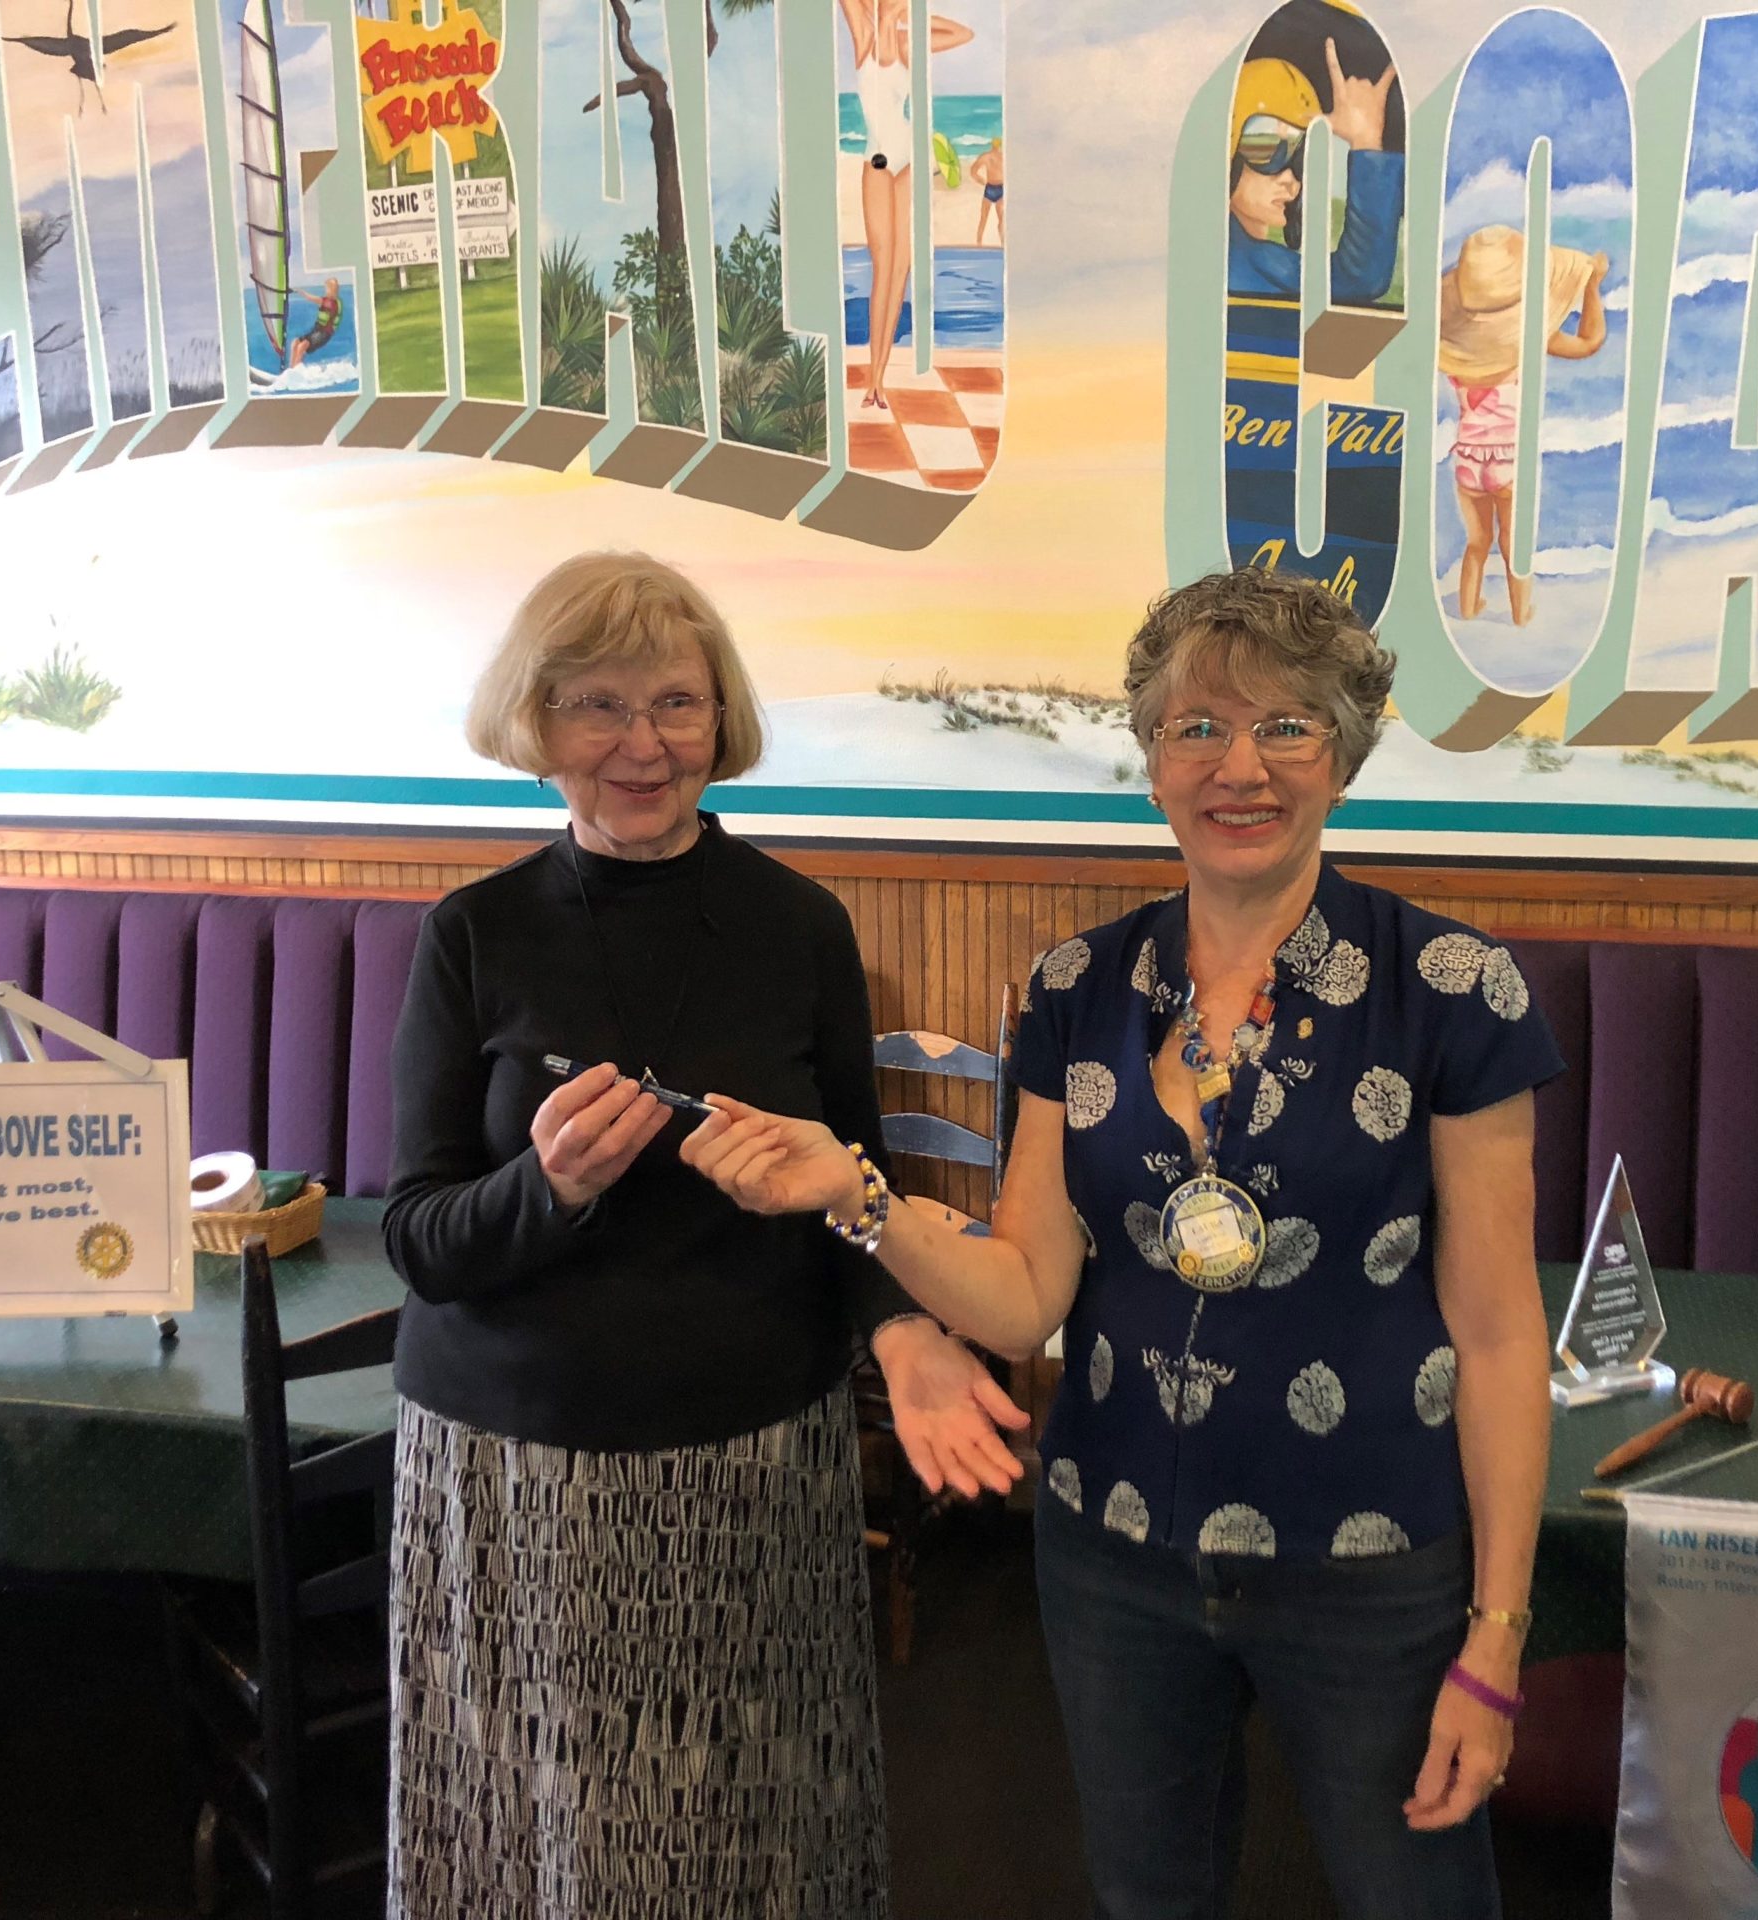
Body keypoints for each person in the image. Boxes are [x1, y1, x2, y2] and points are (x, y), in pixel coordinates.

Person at [683, 567, 1565, 1918]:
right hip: (1113, 1552)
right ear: (1152, 762)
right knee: (1149, 1898)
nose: (1239, 767)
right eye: (1195, 728)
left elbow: (1500, 1336)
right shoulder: (1076, 987)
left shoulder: (1450, 987)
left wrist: (1497, 1640)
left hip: (1370, 1558)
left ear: (1343, 757)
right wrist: (857, 1196)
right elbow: (1023, 1295)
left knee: (1417, 1899)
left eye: (1285, 727)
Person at [381, 551, 1028, 1918]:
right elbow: (422, 1240)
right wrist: (547, 1189)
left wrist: (904, 1331)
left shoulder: (800, 926)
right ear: (535, 722)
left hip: (752, 1462)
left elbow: (853, 1187)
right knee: (541, 1838)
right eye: (597, 705)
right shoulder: (472, 935)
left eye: (676, 703)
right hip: (518, 1473)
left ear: (719, 718)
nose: (643, 745)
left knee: (749, 1829)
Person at [1438, 229, 1610, 625]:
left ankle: (1468, 610)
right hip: (1509, 459)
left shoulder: (1458, 349)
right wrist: (1592, 287)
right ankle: (1520, 615)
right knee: (1514, 547)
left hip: (1467, 459)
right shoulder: (1527, 340)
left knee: (1477, 543)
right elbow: (1588, 342)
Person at [843, 0, 975, 410]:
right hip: (878, 161)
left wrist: (905, 15)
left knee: (901, 267)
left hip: (909, 158)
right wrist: (888, 14)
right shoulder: (863, 35)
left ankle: (878, 381)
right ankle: (873, 376)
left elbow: (963, 34)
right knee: (882, 268)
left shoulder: (906, 41)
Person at [1228, 39, 1403, 307]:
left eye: (1302, 155)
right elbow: (1360, 278)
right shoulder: (1251, 259)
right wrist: (1366, 141)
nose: (1290, 180)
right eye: (1267, 147)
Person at [287, 276, 339, 370]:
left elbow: (310, 298)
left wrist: (299, 291)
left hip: (324, 334)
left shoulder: (332, 303)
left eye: (328, 289)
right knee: (295, 342)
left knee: (302, 346)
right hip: (316, 330)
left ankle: (296, 371)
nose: (326, 291)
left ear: (333, 290)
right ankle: (291, 370)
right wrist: (299, 291)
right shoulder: (325, 301)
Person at [969, 136, 1005, 245]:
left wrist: (980, 180)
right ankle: (982, 242)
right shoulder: (1003, 157)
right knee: (997, 220)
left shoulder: (986, 156)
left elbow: (973, 171)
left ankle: (981, 243)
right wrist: (980, 180)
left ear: (992, 145)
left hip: (992, 188)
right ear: (1000, 145)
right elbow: (973, 171)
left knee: (985, 219)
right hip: (997, 188)